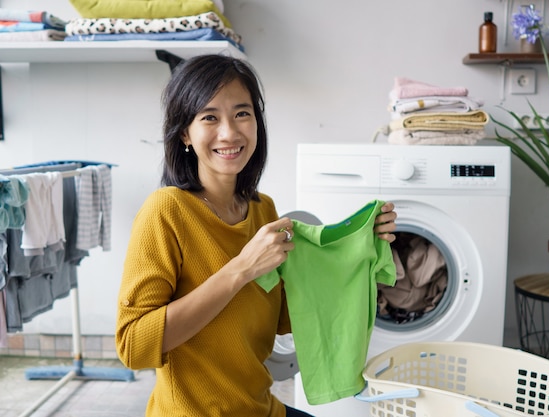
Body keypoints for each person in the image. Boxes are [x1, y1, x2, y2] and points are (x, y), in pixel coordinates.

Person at [115, 54, 397, 417]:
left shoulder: (263, 209)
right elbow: (134, 346)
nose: (229, 132)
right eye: (209, 117)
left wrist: (359, 252)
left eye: (242, 114)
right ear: (185, 132)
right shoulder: (165, 211)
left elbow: (285, 316)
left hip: (260, 408)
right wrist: (241, 269)